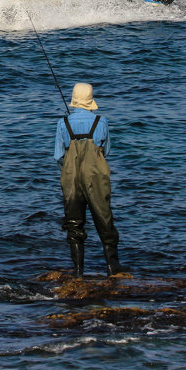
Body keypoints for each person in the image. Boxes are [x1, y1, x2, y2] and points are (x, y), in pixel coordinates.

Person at [54, 83, 123, 278]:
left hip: (71, 176)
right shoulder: (101, 122)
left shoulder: (63, 123)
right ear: (91, 100)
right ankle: (113, 268)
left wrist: (68, 171)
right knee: (104, 218)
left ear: (74, 100)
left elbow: (58, 156)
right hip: (96, 175)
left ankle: (78, 272)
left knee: (74, 222)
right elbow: (106, 151)